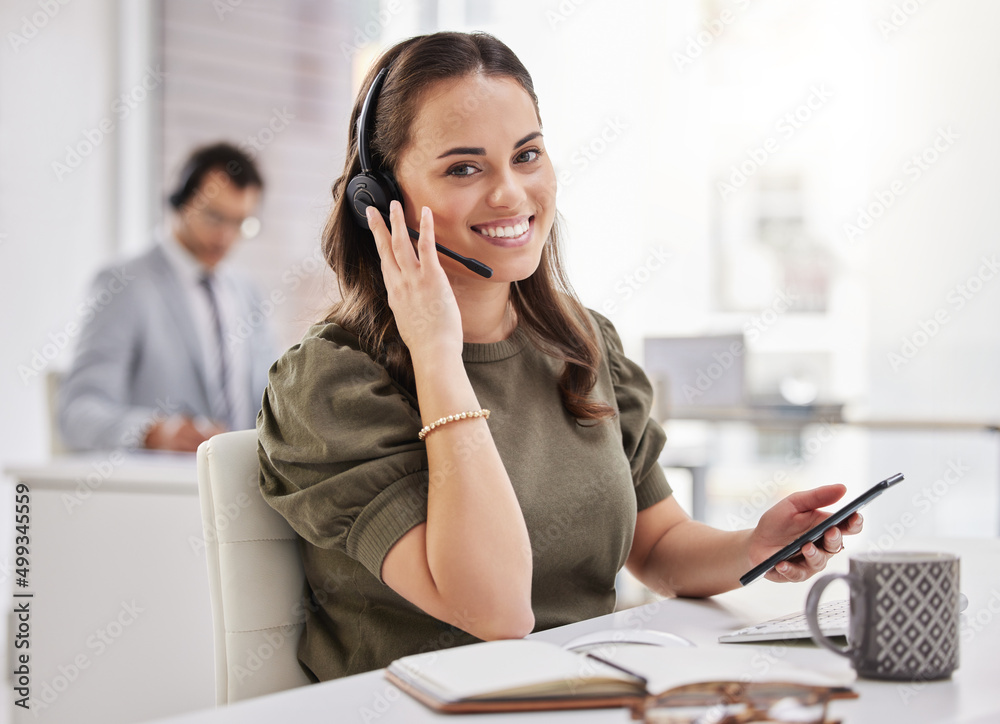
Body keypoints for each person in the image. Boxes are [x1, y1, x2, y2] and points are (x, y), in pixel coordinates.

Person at [257, 31, 862, 682]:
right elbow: (497, 613)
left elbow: (656, 547)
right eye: (464, 168)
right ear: (379, 198)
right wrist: (437, 355)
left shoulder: (583, 345)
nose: (512, 195)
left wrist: (754, 548)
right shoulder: (332, 383)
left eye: (527, 156)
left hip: (590, 696)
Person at [59, 142, 278, 452]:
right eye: (215, 218)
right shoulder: (123, 284)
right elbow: (77, 412)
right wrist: (153, 432)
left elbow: (268, 397)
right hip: (160, 489)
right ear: (180, 202)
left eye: (240, 223)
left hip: (240, 484)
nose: (226, 237)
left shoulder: (247, 292)